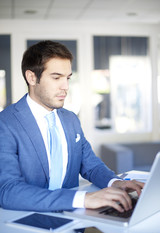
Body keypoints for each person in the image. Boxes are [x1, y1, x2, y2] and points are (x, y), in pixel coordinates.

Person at [0, 40, 144, 213]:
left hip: (72, 216)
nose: (66, 87)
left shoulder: (71, 119)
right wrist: (83, 199)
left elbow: (91, 165)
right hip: (28, 218)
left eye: (68, 78)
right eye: (56, 77)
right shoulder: (6, 123)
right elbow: (8, 191)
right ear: (32, 77)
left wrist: (115, 183)